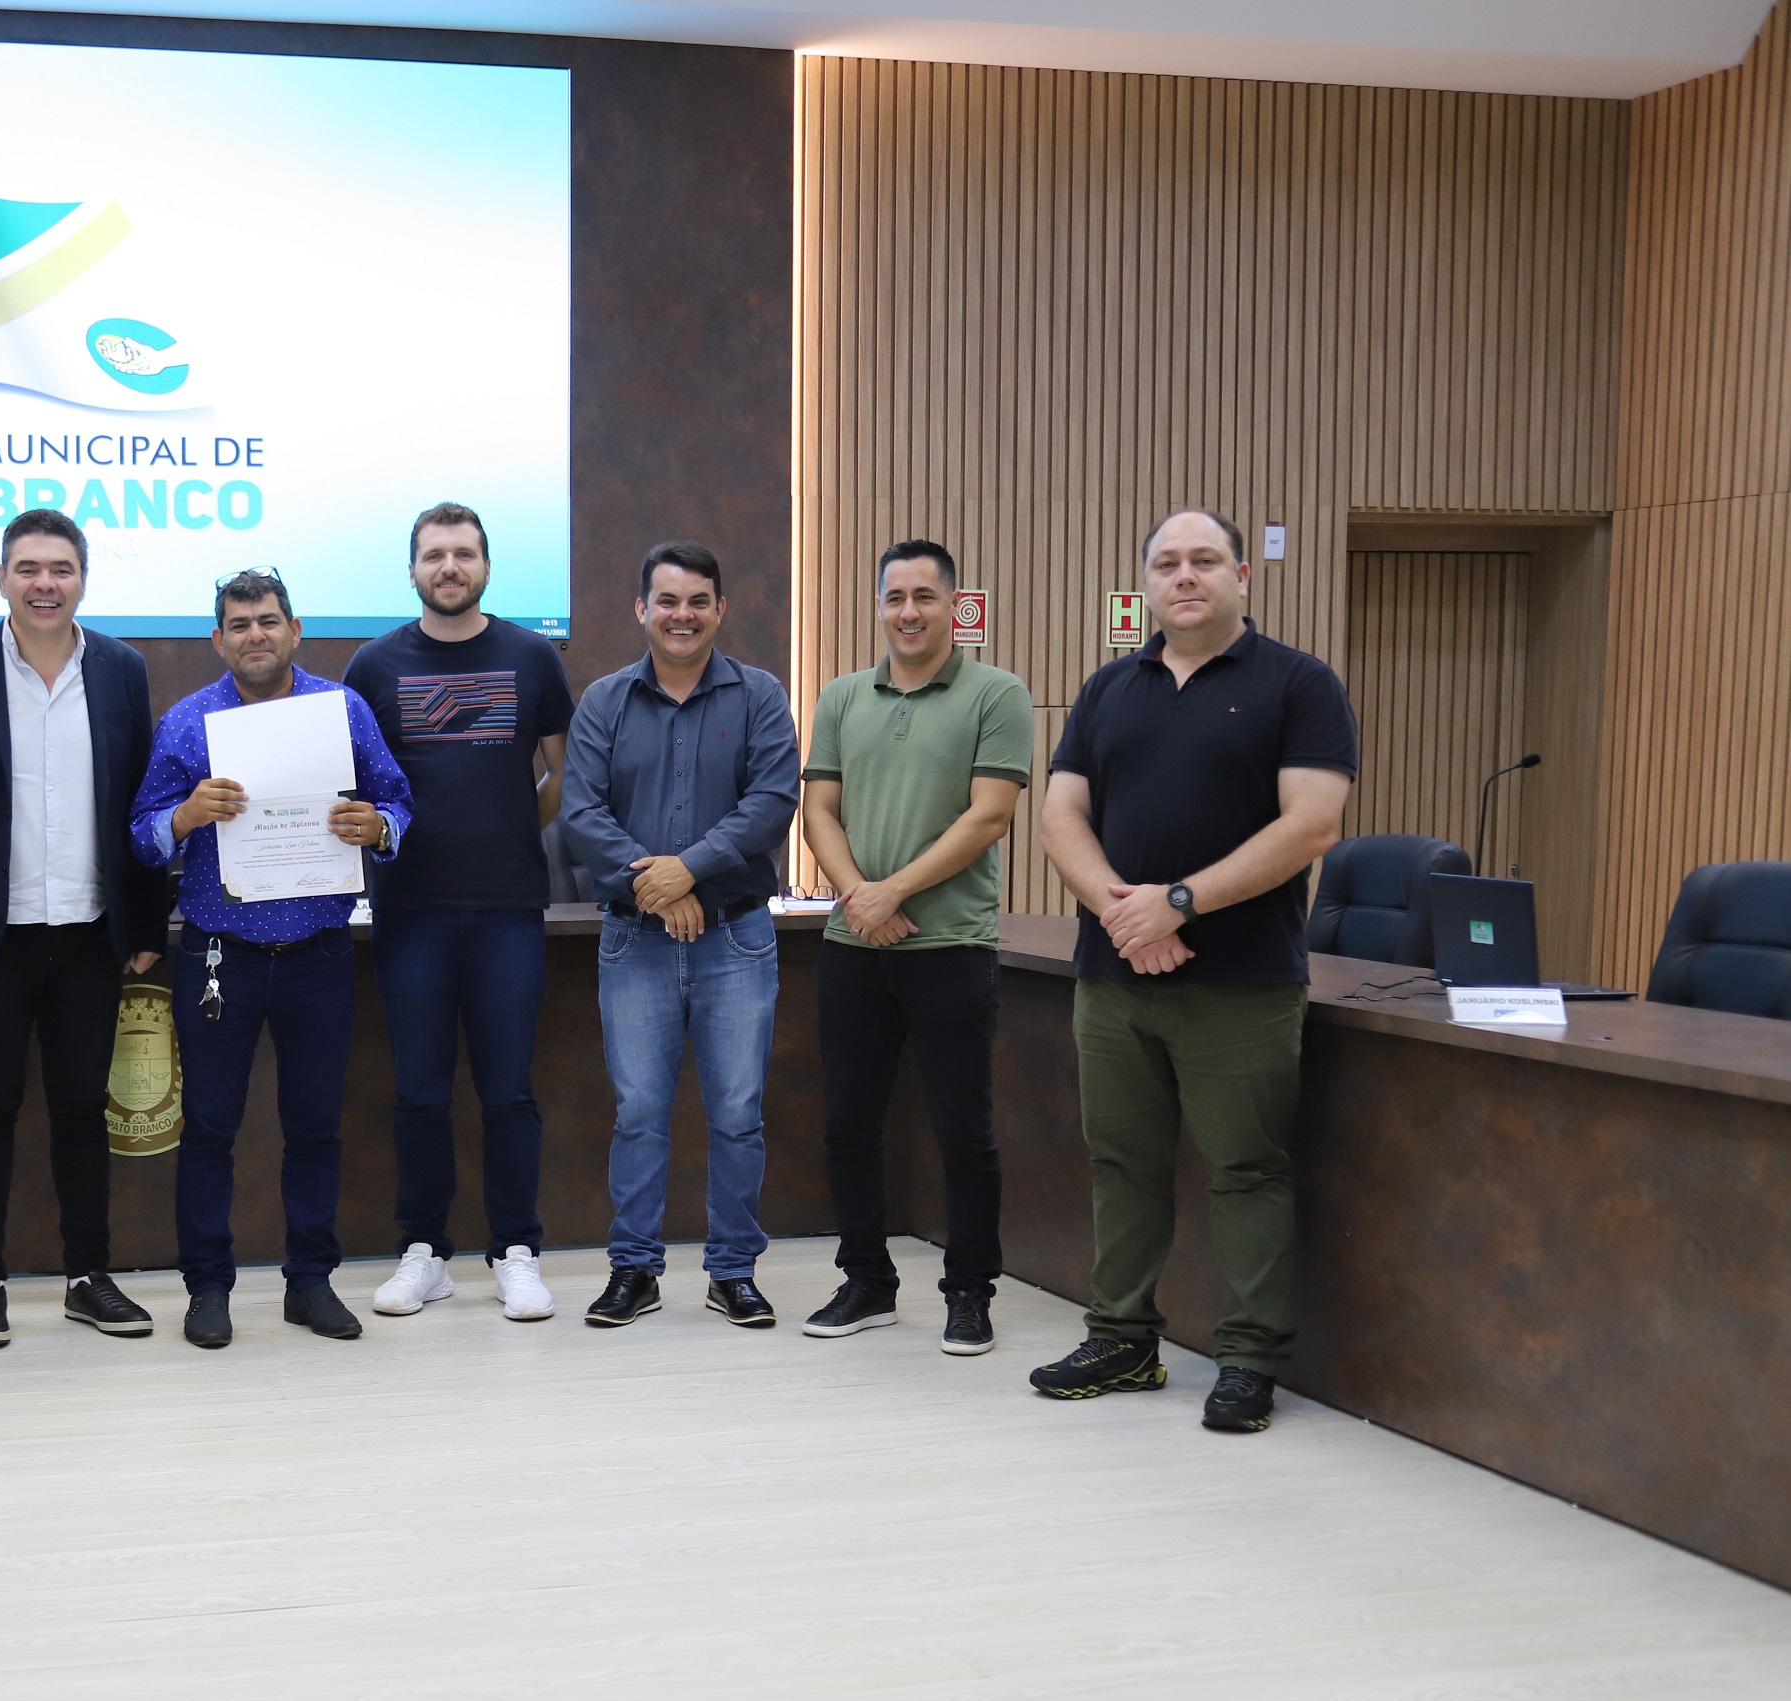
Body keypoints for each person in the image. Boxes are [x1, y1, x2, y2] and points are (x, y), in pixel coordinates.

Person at [1032, 509, 1355, 1433]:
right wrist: (1125, 917)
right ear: (1145, 583)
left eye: (1204, 560)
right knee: (1120, 1165)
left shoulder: (1298, 684)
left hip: (1240, 985)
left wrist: (1177, 903)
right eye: (1166, 563)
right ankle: (1121, 1340)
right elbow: (1060, 818)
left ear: (1240, 577)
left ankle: (1247, 1360)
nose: (1184, 576)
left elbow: (1311, 825)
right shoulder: (1107, 688)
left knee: (1244, 1171)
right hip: (1113, 979)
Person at [0, 509, 165, 1352]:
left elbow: (141, 800)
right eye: (27, 569)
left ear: (82, 578)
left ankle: (88, 1277)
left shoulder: (122, 669)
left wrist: (145, 920)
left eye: (60, 569)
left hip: (90, 929)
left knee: (84, 1107)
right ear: (1, 578)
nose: (44, 584)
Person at [131, 569, 415, 1350]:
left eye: (267, 620)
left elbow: (397, 801)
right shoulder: (187, 723)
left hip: (318, 953)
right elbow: (141, 835)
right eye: (239, 624)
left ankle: (310, 1282)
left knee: (315, 1127)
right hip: (219, 957)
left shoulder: (341, 711)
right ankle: (207, 1288)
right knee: (208, 1130)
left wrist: (376, 826)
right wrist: (184, 816)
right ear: (217, 640)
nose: (254, 634)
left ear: (294, 630)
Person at [797, 539, 1033, 1355]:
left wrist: (890, 892)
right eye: (894, 597)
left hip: (949, 947)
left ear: (954, 606)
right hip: (852, 945)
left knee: (961, 1129)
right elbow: (817, 810)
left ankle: (969, 1293)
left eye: (924, 596)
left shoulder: (997, 693)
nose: (908, 612)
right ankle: (866, 1282)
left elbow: (988, 816)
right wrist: (860, 897)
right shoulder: (840, 697)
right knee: (847, 1125)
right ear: (878, 606)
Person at [561, 541, 801, 1330]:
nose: (682, 615)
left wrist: (686, 871)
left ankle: (732, 1272)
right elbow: (580, 812)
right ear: (641, 609)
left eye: (698, 601)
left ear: (719, 609)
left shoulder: (758, 695)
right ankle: (634, 1270)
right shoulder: (604, 701)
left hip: (736, 941)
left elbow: (771, 801)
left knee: (736, 1112)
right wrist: (656, 887)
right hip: (635, 941)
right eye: (666, 600)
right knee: (637, 1113)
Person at [344, 502, 574, 1323]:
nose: (449, 567)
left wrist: (506, 833)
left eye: (463, 553)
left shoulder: (531, 656)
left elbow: (559, 778)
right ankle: (424, 1253)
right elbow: (354, 788)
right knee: (418, 1092)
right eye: (434, 554)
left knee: (507, 1091)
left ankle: (516, 1251)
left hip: (507, 908)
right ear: (412, 569)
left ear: (485, 566)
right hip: (409, 910)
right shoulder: (373, 666)